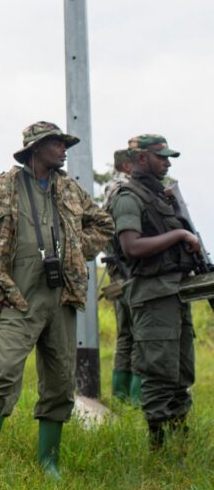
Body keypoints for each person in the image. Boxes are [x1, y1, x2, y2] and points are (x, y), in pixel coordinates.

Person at [0, 121, 113, 477]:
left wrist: (75, 250)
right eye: (56, 144)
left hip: (62, 298)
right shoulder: (3, 187)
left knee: (61, 380)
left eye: (64, 144)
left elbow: (103, 225)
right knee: (4, 374)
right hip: (18, 298)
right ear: (35, 148)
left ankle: (49, 463)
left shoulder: (69, 190)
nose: (63, 150)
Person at [108, 135, 199, 449]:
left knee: (181, 372)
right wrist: (179, 234)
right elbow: (131, 246)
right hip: (153, 295)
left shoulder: (162, 195)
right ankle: (159, 448)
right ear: (142, 158)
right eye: (162, 157)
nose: (168, 163)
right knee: (159, 374)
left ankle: (179, 444)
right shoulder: (127, 196)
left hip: (176, 293)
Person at [101, 148, 140, 405]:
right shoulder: (126, 192)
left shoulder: (109, 190)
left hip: (117, 272)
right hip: (129, 270)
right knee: (140, 334)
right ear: (127, 165)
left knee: (126, 335)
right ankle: (137, 398)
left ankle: (120, 398)